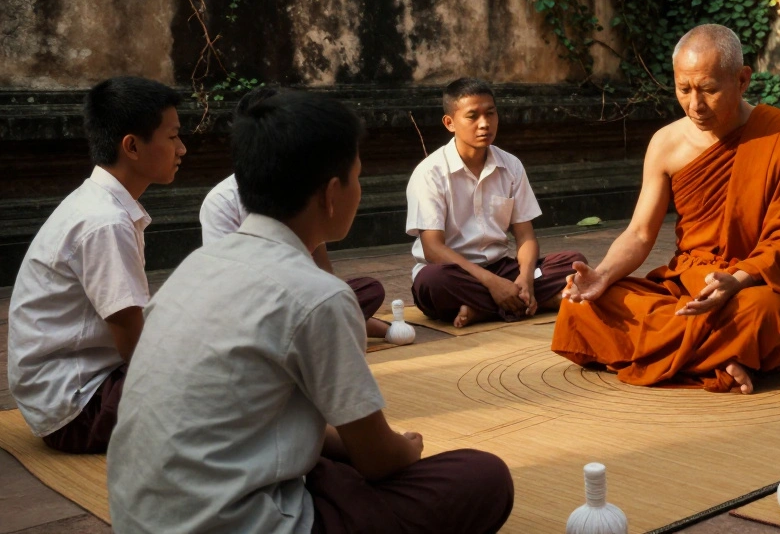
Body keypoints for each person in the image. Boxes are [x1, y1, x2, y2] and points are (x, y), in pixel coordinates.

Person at [107, 90, 513, 534]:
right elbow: (378, 459)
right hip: (237, 521)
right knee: (482, 477)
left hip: (139, 515)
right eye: (357, 177)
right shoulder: (319, 296)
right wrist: (406, 448)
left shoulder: (194, 268)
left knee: (330, 465)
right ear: (332, 194)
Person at [551, 24, 780, 394]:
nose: (695, 105)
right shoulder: (666, 143)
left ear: (742, 80)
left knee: (766, 314)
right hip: (690, 283)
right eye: (684, 89)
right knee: (581, 308)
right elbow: (639, 232)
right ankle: (724, 355)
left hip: (755, 285)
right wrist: (602, 275)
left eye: (709, 90)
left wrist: (741, 278)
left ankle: (703, 350)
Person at [6, 77, 185, 454]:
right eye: (172, 137)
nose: (182, 149)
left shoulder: (101, 205)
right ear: (132, 146)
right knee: (226, 387)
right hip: (77, 408)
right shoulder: (106, 222)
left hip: (67, 391)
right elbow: (134, 346)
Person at [201, 87, 389, 339]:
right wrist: (330, 303)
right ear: (331, 193)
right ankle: (357, 322)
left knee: (359, 292)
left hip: (290, 303)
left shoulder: (179, 287)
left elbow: (319, 265)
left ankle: (353, 319)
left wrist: (331, 292)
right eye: (355, 176)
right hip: (245, 311)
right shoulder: (222, 200)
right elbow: (226, 288)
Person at [406, 77, 586, 328]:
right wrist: (492, 283)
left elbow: (526, 237)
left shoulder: (510, 165)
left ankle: (484, 309)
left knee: (573, 261)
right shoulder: (430, 173)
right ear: (450, 123)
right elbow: (433, 249)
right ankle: (535, 302)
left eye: (490, 114)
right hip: (454, 273)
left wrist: (525, 279)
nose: (484, 124)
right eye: (472, 116)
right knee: (431, 282)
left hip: (503, 269)